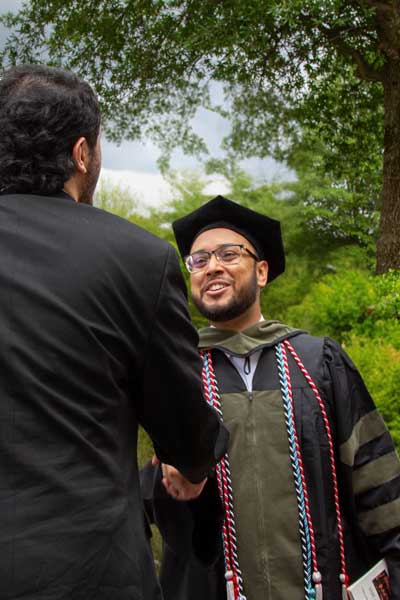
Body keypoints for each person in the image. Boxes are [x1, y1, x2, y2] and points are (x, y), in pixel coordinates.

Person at [0, 65, 228, 600]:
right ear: (82, 154)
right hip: (87, 570)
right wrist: (196, 461)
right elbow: (182, 425)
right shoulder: (136, 260)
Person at [142, 195, 400, 600]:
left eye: (229, 254)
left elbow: (377, 480)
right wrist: (171, 483)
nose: (212, 267)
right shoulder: (178, 374)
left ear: (261, 272)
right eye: (199, 259)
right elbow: (157, 512)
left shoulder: (318, 364)